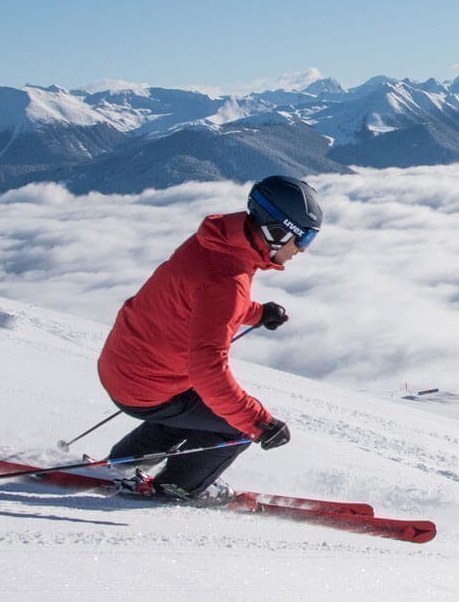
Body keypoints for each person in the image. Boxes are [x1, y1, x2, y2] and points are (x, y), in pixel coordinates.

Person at [96, 176, 322, 502]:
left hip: (125, 366)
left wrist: (257, 313)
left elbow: (199, 302)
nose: (302, 249)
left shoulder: (215, 243)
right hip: (149, 385)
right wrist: (260, 423)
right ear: (277, 232)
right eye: (304, 237)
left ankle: (124, 464)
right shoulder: (228, 279)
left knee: (199, 411)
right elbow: (207, 369)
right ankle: (178, 487)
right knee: (236, 425)